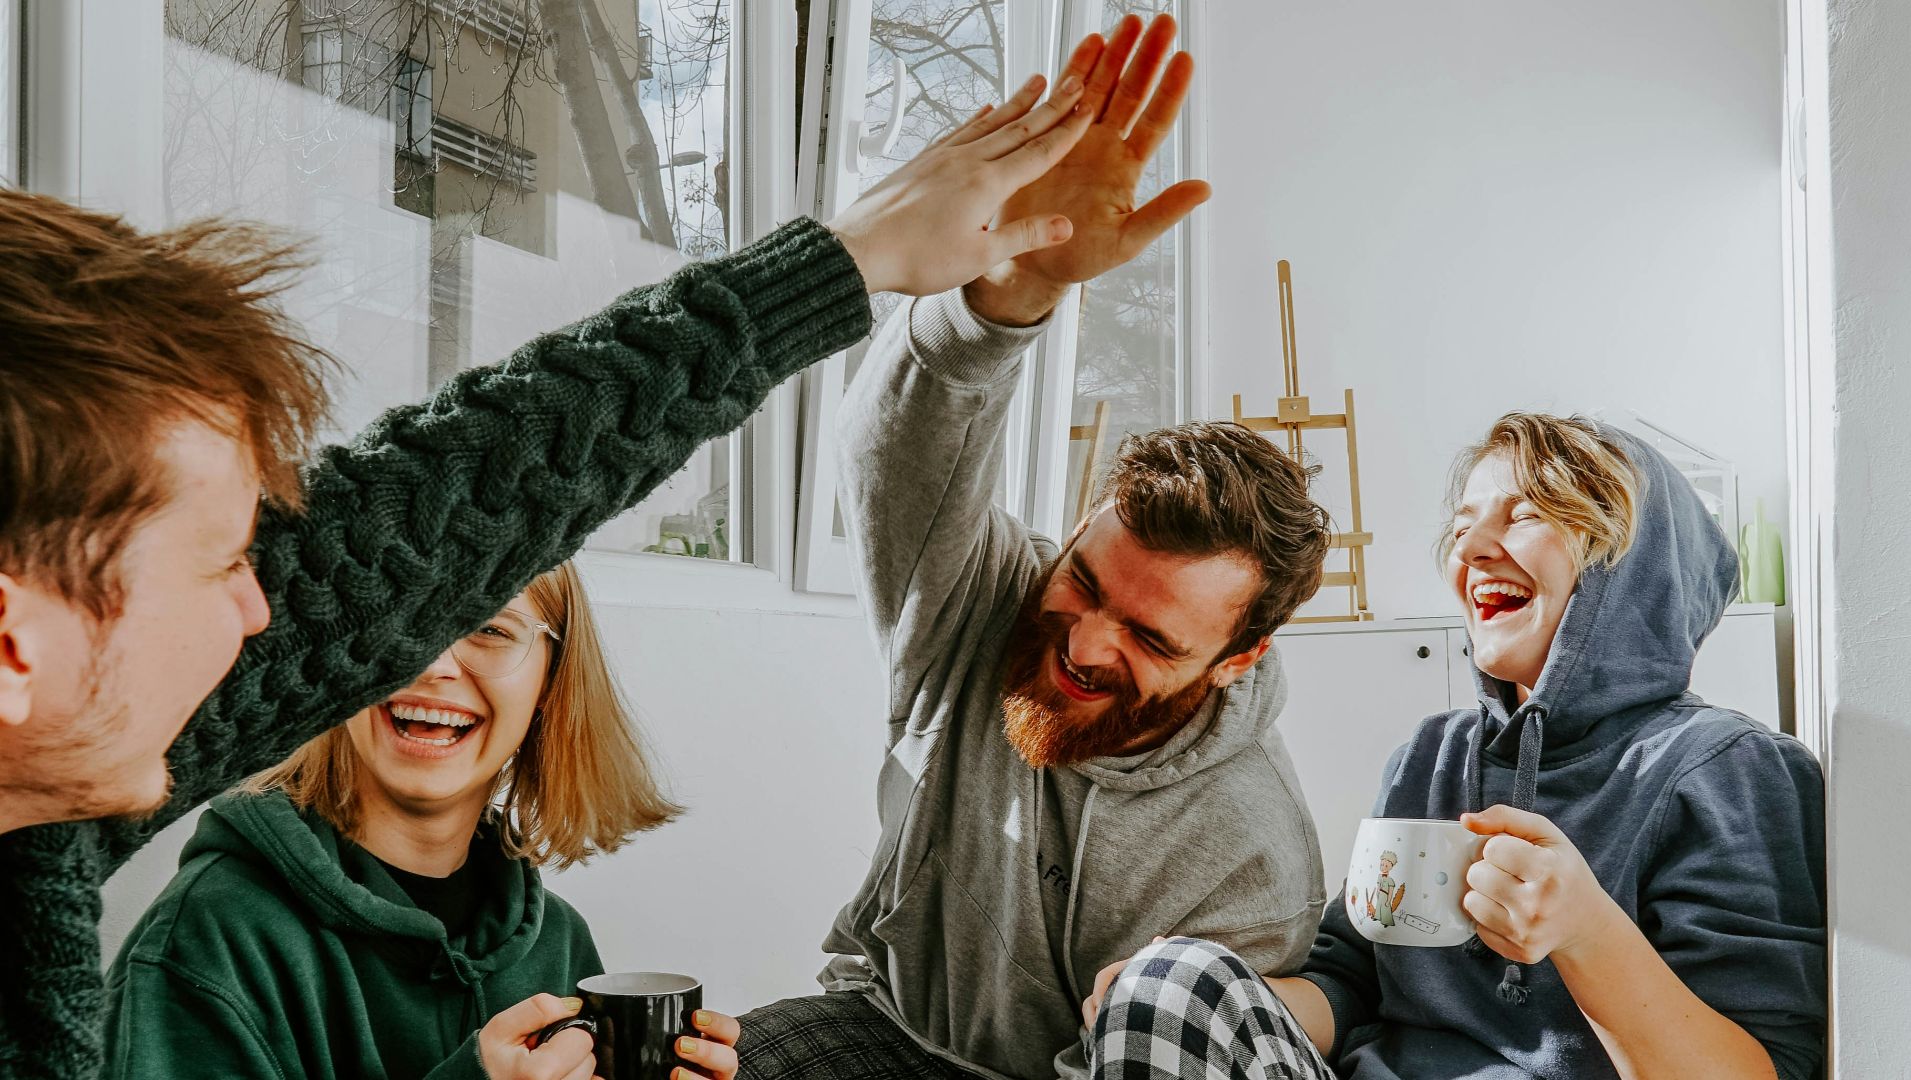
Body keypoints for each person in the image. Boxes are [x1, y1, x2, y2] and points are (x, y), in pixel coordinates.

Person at [0, 71, 1100, 1078]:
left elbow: (434, 513)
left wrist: (847, 262)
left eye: (491, 630)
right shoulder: (190, 928)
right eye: (225, 563)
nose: (265, 607)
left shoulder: (36, 823)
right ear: (13, 647)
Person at [735, 15, 1336, 1080]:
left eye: (1152, 635)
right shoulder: (987, 604)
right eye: (1086, 580)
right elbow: (899, 456)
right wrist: (1013, 295)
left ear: (1237, 660)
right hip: (886, 1026)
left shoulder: (1249, 854)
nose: (1087, 642)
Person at [1082, 414, 1828, 1080]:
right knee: (1171, 982)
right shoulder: (1431, 756)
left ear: (1631, 567)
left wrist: (1587, 933)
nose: (1470, 547)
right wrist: (1196, 998)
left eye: (1527, 514)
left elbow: (1766, 1070)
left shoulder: (1727, 768)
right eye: (1465, 523)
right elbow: (1351, 980)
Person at [104, 561, 739, 1080]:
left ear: (551, 682)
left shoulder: (559, 941)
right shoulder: (208, 937)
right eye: (405, 621)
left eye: (490, 628)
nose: (433, 667)